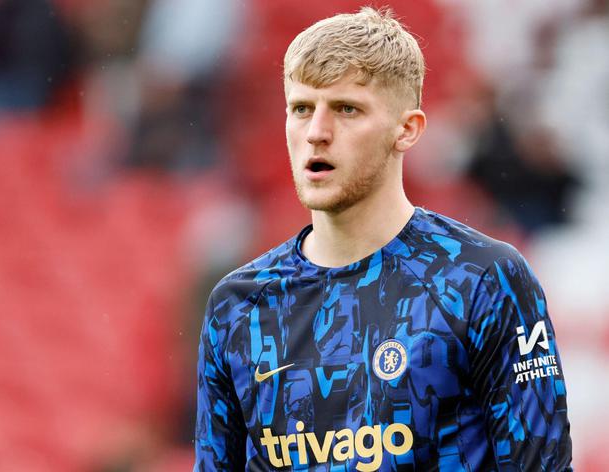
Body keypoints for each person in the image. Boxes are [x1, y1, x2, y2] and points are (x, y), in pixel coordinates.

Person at [194, 7, 572, 471]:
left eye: (347, 109)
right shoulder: (238, 306)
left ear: (406, 130)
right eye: (302, 109)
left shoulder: (482, 279)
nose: (317, 133)